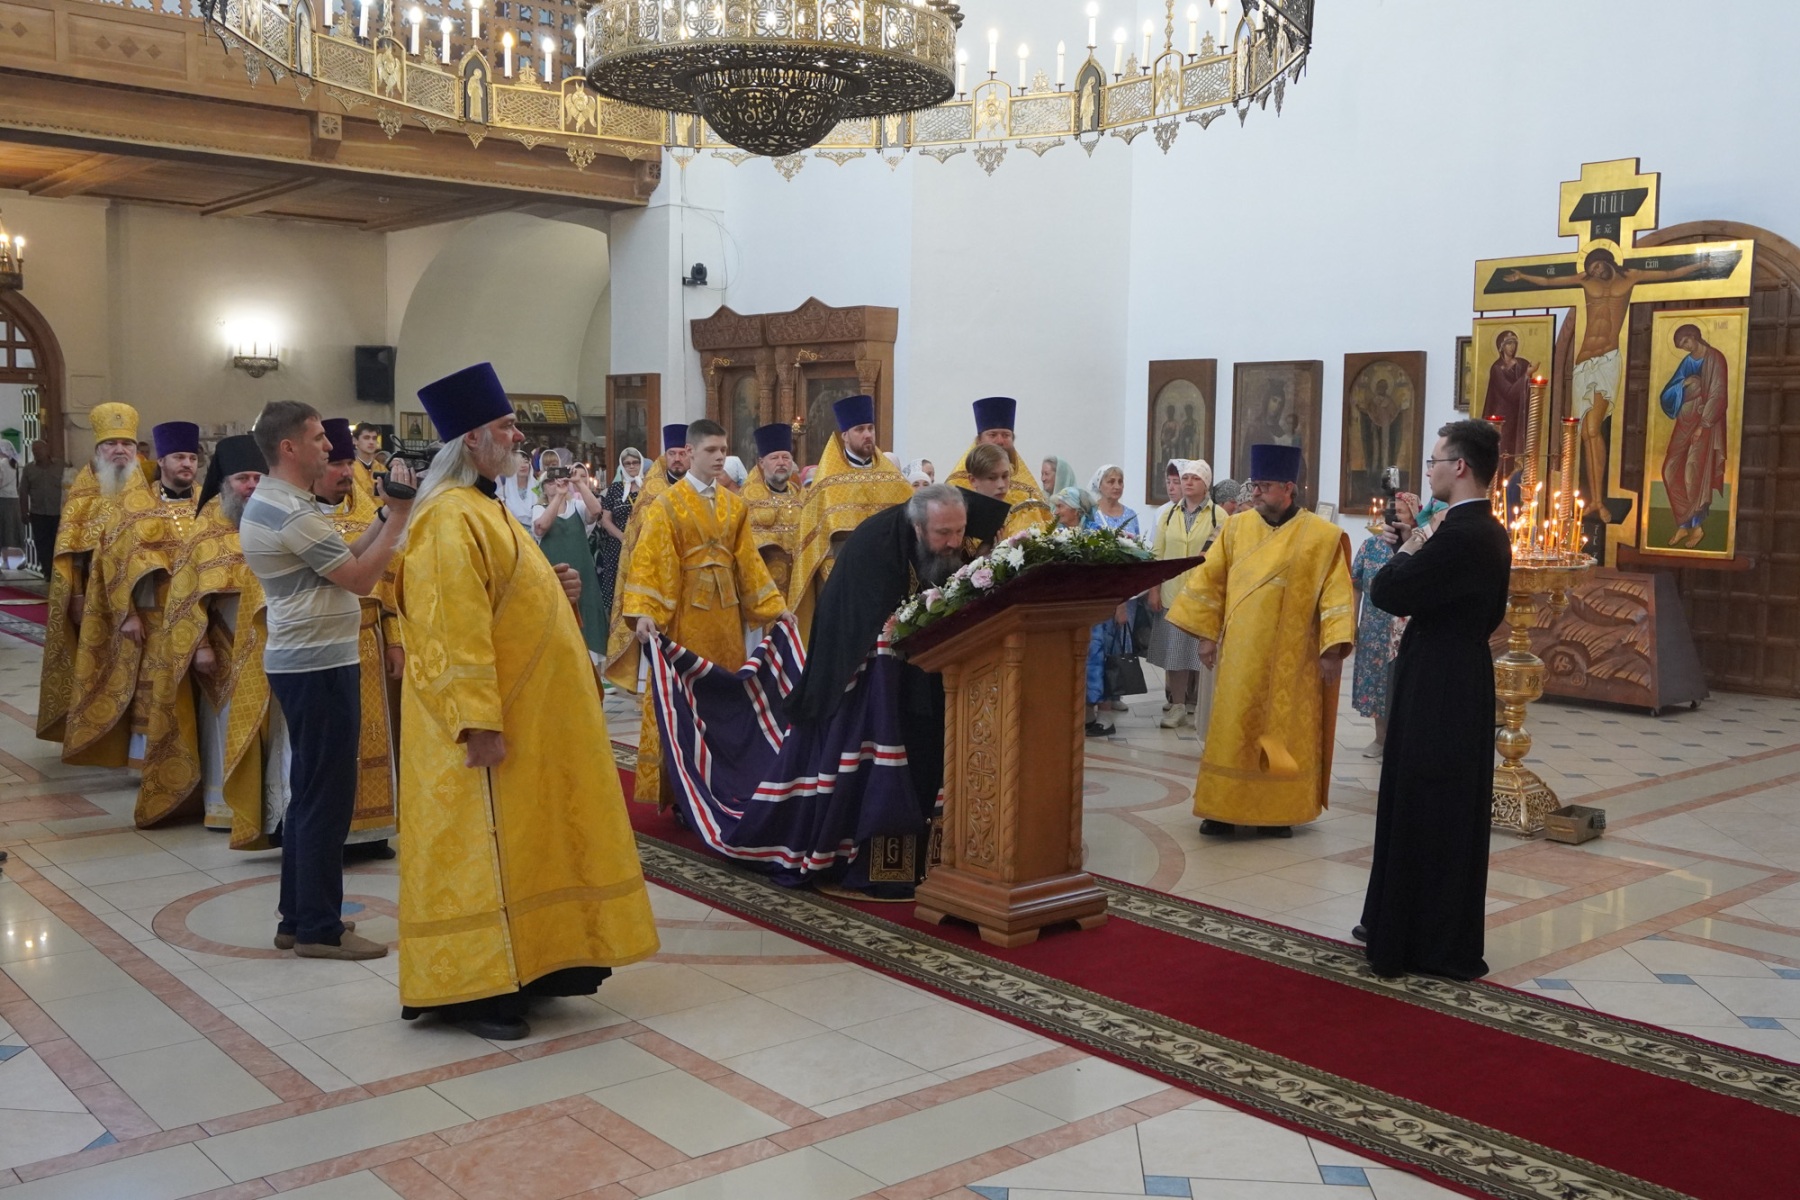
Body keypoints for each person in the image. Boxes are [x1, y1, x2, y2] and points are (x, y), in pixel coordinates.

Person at [396, 362, 659, 1039]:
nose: (518, 436)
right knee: (483, 850)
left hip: (528, 718)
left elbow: (502, 594)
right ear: (473, 439)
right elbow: (451, 630)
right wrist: (476, 722)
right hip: (487, 725)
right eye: (507, 425)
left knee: (526, 845)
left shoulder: (483, 507)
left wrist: (552, 586)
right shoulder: (448, 517)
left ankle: (535, 965)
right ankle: (475, 988)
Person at [240, 400, 414, 960]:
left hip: (309, 659)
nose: (329, 447)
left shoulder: (285, 503)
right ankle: (320, 927)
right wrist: (401, 520)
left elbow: (342, 558)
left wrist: (384, 514)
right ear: (288, 447)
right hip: (316, 664)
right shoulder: (289, 512)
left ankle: (297, 917)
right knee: (327, 798)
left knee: (311, 791)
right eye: (318, 438)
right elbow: (360, 579)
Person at [1357, 420, 1511, 980]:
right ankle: (1406, 922)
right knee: (1436, 801)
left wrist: (1410, 546)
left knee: (1427, 800)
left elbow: (1387, 590)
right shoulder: (1485, 529)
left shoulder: (1462, 532)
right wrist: (1420, 541)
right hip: (1455, 671)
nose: (1429, 472)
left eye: (1434, 461)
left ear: (1460, 466)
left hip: (1441, 682)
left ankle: (1420, 938)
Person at [1169, 444, 1354, 838]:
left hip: (1293, 658)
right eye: (1254, 485)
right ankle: (1221, 809)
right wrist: (1206, 636)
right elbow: (1210, 581)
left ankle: (1278, 811)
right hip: (1240, 654)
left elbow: (1336, 593)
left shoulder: (1321, 536)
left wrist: (1333, 651)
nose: (1255, 493)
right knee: (1233, 730)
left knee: (1279, 734)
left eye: (1264, 487)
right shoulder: (1235, 529)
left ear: (1288, 488)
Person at [616, 419, 790, 805]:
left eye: (723, 450)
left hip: (726, 622)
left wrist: (775, 609)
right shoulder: (666, 504)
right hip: (686, 619)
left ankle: (725, 782)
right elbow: (650, 560)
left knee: (725, 701)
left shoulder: (735, 505)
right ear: (690, 452)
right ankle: (684, 791)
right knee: (686, 701)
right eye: (711, 450)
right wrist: (644, 611)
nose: (719, 457)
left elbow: (749, 563)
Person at [143, 435, 278, 836]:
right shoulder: (206, 528)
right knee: (223, 720)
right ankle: (224, 806)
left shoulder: (275, 520)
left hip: (271, 640)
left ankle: (266, 802)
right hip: (223, 642)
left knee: (269, 725)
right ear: (225, 483)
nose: (251, 486)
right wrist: (199, 645)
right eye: (242, 479)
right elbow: (185, 596)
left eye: (258, 478)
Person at [63, 422, 205, 772]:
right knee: (153, 688)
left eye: (191, 458)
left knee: (198, 689)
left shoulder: (209, 502)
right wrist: (127, 613)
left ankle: (196, 759)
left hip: (202, 613)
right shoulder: (137, 503)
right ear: (161, 460)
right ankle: (149, 760)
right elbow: (113, 559)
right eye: (178, 457)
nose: (186, 464)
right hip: (154, 615)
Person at [314, 419, 404, 858]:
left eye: (349, 463)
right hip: (320, 644)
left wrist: (395, 640)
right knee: (328, 744)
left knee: (373, 736)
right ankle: (328, 836)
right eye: (337, 464)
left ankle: (373, 831)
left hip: (368, 639)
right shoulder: (300, 518)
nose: (347, 472)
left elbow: (390, 582)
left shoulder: (369, 513)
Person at [37, 405, 145, 747]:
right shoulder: (82, 491)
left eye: (127, 444)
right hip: (96, 600)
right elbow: (71, 551)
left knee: (143, 672)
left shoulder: (150, 488)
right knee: (99, 667)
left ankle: (137, 741)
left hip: (145, 597)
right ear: (98, 450)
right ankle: (99, 739)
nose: (120, 450)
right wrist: (77, 596)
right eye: (111, 443)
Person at [790, 395, 912, 631]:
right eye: (860, 429)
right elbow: (815, 542)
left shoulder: (893, 479)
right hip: (844, 580)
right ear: (844, 435)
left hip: (886, 580)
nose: (867, 435)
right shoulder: (827, 483)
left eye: (870, 428)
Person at [601, 424, 691, 680]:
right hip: (658, 575)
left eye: (682, 453)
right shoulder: (651, 491)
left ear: (690, 454)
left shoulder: (702, 487)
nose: (677, 458)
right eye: (672, 453)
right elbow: (639, 535)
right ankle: (653, 684)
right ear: (665, 455)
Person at [1146, 460, 1222, 731]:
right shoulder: (1169, 514)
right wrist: (1154, 588)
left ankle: (1200, 706)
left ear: (1206, 484)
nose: (1188, 482)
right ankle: (1177, 705)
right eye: (1185, 477)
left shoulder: (1219, 515)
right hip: (1173, 593)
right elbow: (1157, 555)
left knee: (1203, 653)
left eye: (1195, 478)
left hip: (1204, 597)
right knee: (1175, 653)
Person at [531, 451, 607, 660]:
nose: (555, 484)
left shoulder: (577, 507)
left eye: (557, 480)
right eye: (549, 482)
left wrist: (578, 483)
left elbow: (596, 511)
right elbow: (541, 527)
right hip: (557, 579)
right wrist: (559, 496)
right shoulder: (539, 508)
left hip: (583, 576)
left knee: (588, 623)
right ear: (543, 488)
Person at [1660, 322, 1730, 549]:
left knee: (1693, 473)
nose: (1685, 347)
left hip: (1705, 425)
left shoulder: (1715, 358)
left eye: (1686, 341)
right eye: (1681, 345)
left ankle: (1696, 528)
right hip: (1684, 422)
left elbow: (1718, 394)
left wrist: (1704, 424)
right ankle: (1683, 523)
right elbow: (1667, 393)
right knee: (1670, 469)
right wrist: (1684, 383)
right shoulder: (1687, 362)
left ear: (1694, 336)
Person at [946, 397, 1052, 537]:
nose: (1000, 441)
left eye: (1006, 435)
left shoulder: (1028, 494)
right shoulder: (955, 486)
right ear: (979, 440)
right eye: (993, 435)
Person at [1086, 465, 1140, 731]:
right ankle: (1094, 704)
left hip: (1123, 593)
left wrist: (1124, 597)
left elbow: (1135, 555)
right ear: (1100, 484)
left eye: (1120, 481)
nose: (1116, 486)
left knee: (1116, 648)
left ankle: (1111, 699)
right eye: (1111, 481)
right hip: (1098, 591)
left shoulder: (1130, 515)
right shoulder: (1091, 514)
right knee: (1097, 648)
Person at [1349, 532, 1401, 759]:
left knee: (1402, 681)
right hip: (1374, 626)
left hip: (1407, 628)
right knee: (1378, 682)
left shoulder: (1423, 543)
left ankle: (1402, 740)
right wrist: (1352, 621)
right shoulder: (1371, 546)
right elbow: (1356, 584)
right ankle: (1380, 738)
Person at [742, 423, 805, 597]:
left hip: (798, 583)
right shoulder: (747, 499)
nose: (781, 463)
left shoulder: (803, 497)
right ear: (761, 463)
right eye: (774, 458)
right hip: (763, 584)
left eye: (786, 457)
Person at [594, 447, 644, 630]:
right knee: (617, 590)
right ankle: (617, 632)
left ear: (641, 464)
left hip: (644, 546)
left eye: (635, 462)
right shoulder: (615, 489)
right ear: (622, 466)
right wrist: (623, 537)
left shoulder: (649, 487)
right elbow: (605, 520)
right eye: (627, 463)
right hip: (618, 547)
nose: (631, 466)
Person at [1480, 329, 1534, 467]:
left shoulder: (1522, 364)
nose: (1512, 347)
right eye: (1509, 343)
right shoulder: (1497, 368)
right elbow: (1509, 392)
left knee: (1516, 453)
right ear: (1501, 347)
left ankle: (1514, 478)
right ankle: (1499, 480)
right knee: (1502, 453)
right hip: (1502, 419)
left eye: (1514, 343)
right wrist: (1526, 375)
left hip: (1518, 417)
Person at [22, 440, 63, 576]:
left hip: (58, 512)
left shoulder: (61, 466)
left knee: (57, 543)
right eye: (34, 450)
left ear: (47, 449)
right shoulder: (28, 469)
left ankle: (58, 571)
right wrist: (23, 511)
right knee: (41, 543)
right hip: (38, 513)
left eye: (39, 449)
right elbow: (23, 491)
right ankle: (47, 571)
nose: (37, 452)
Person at [498, 452, 539, 526]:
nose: (523, 465)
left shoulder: (539, 488)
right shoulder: (502, 493)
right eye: (518, 463)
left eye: (526, 462)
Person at [0, 443, 22, 569]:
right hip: (14, 500)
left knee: (3, 532)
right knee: (13, 530)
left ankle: (5, 561)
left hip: (3, 500)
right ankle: (25, 559)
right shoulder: (16, 464)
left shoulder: (2, 464)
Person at [351, 422, 383, 503]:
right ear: (355, 441)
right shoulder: (349, 469)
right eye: (366, 438)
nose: (371, 442)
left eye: (374, 438)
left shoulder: (382, 469)